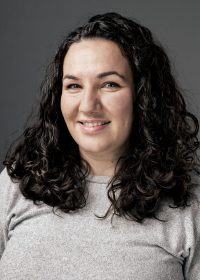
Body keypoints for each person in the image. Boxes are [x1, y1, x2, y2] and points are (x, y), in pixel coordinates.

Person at [0, 12, 200, 280]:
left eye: (109, 84)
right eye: (73, 85)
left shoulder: (190, 205)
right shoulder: (16, 184)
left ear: (144, 96)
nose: (87, 105)